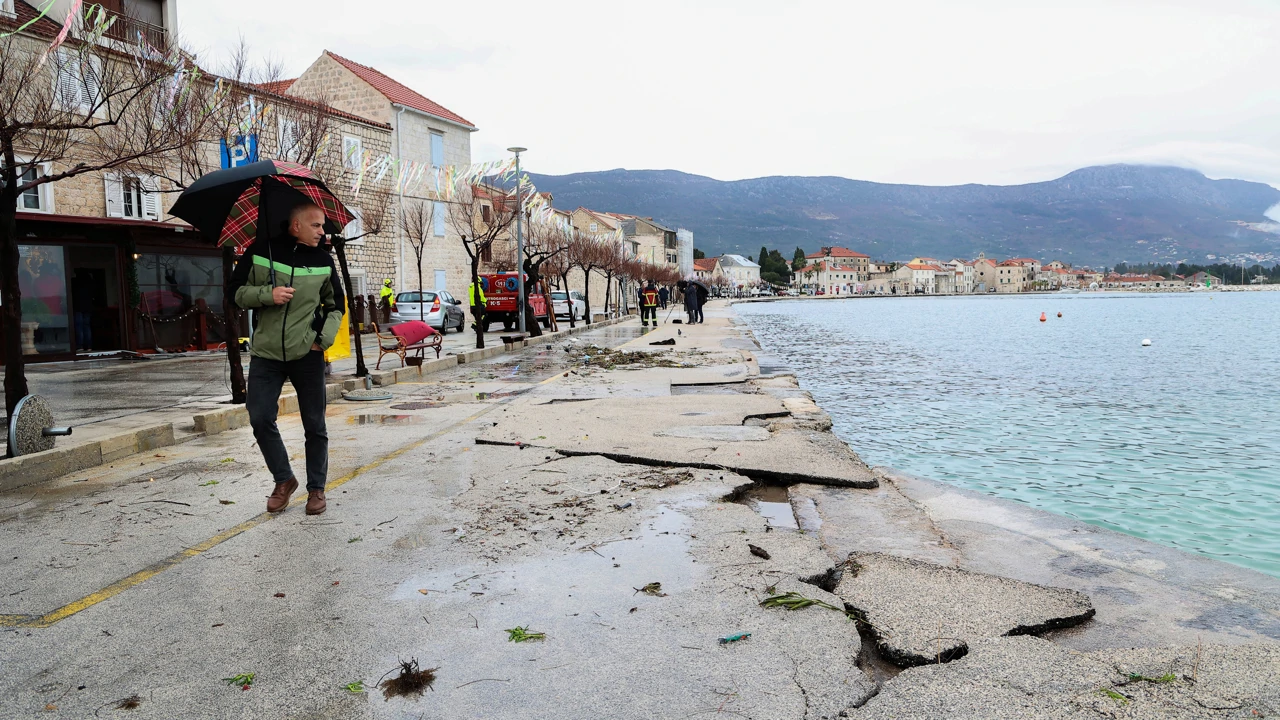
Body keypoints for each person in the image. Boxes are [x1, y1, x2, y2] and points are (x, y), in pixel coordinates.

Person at [230, 203, 345, 516]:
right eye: (317, 226)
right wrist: (268, 294)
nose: (323, 232)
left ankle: (317, 490)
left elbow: (337, 305)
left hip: (306, 353)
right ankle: (284, 480)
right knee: (259, 417)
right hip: (266, 354)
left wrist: (321, 341)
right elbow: (235, 292)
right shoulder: (258, 252)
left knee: (314, 424)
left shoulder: (323, 259)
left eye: (323, 226)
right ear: (296, 225)